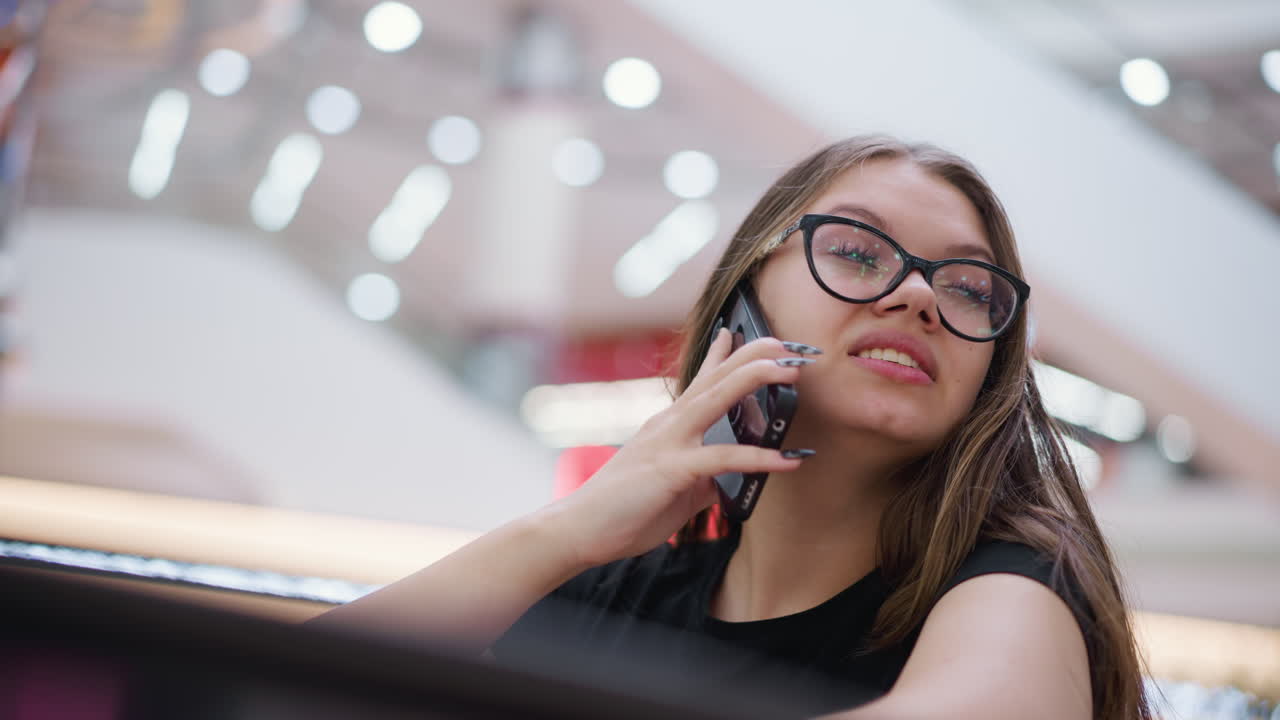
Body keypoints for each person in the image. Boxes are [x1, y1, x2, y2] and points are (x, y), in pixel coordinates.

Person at [313, 136, 1151, 719]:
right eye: (858, 252)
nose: (921, 296)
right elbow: (252, 686)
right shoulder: (613, 592)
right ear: (745, 301)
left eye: (970, 287)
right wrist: (563, 535)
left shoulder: (1017, 586)